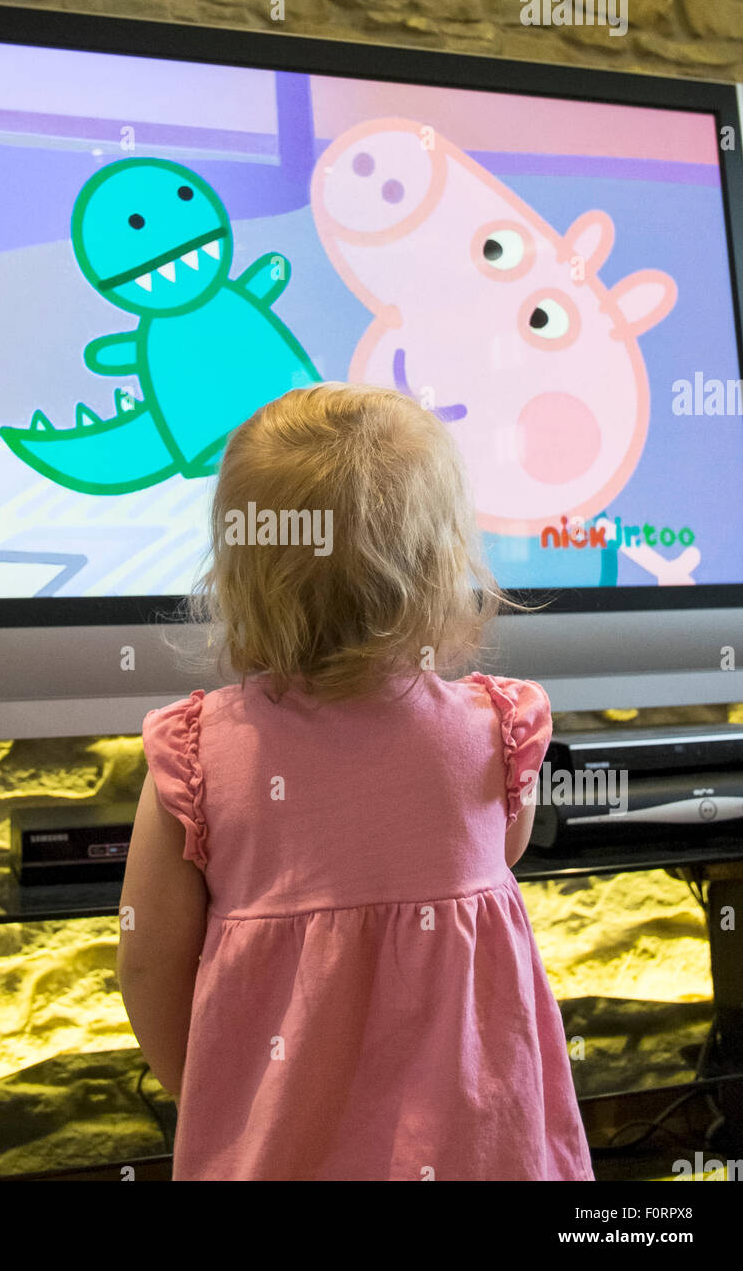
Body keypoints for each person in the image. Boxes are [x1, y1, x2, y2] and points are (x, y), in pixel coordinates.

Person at [117, 382, 595, 1182]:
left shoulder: (197, 752)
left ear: (239, 570)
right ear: (445, 563)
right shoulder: (499, 729)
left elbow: (147, 962)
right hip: (478, 1150)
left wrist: (221, 1097)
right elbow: (502, 851)